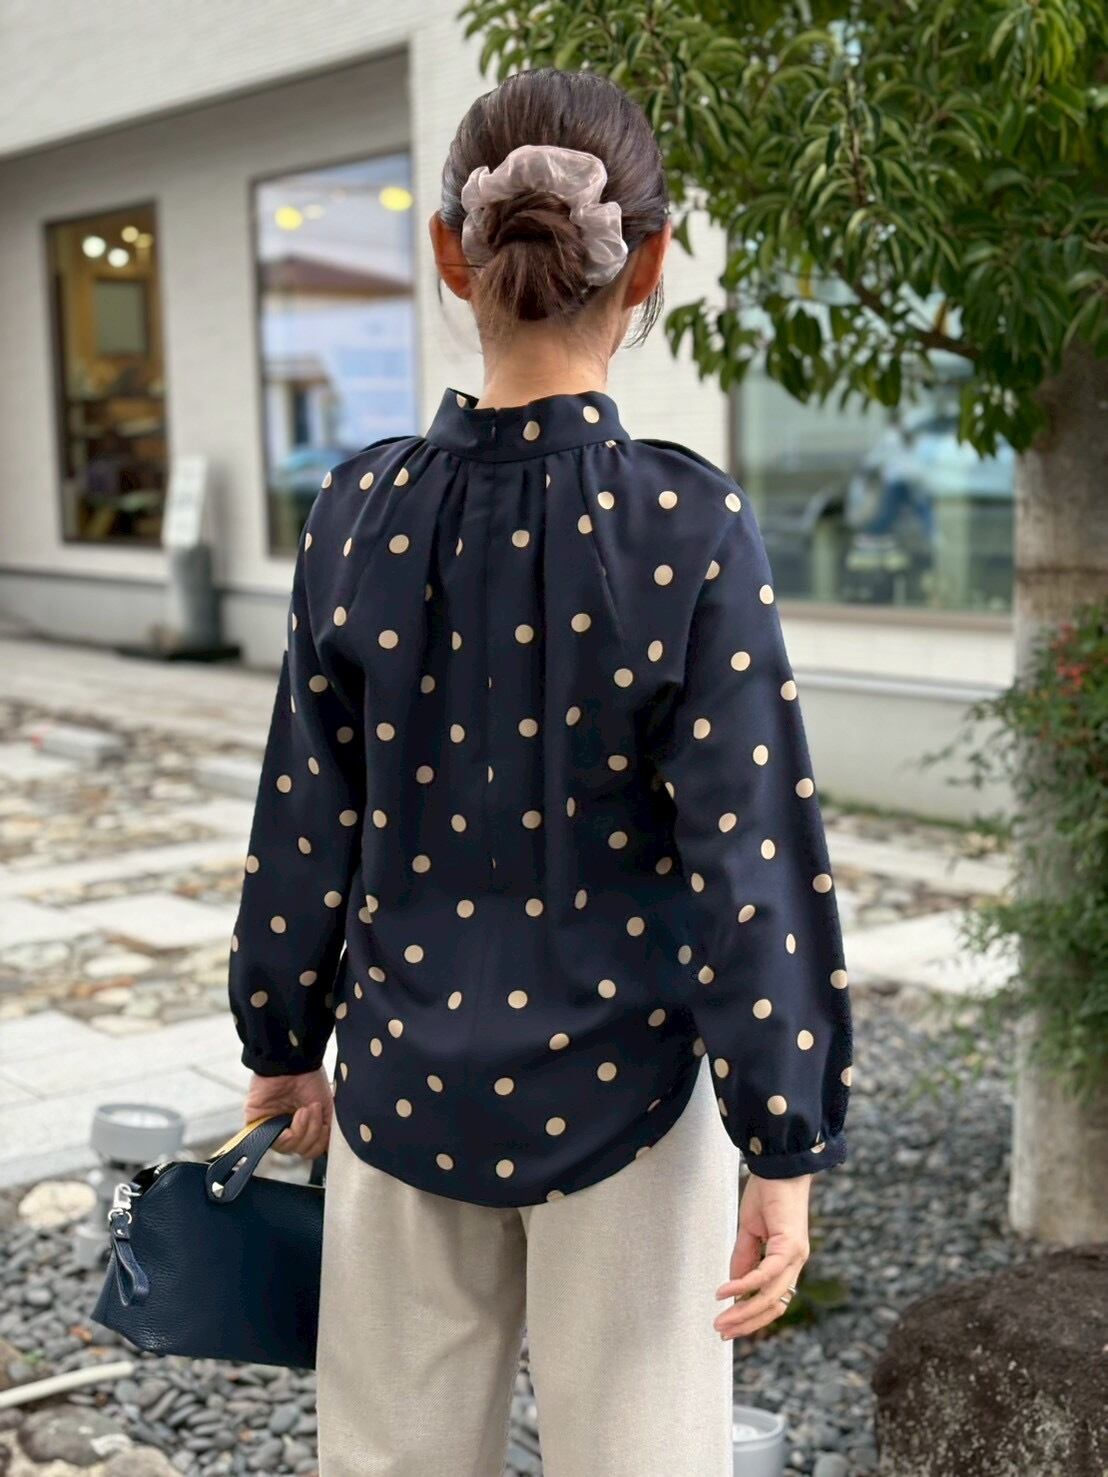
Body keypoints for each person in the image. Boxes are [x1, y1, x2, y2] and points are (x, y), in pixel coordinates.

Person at [226, 66, 853, 1477]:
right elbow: (750, 856)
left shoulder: (356, 512)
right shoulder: (689, 529)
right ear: (652, 263)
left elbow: (304, 810)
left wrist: (281, 1041)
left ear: (450, 253)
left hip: (398, 1074)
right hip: (632, 1094)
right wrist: (784, 1140)